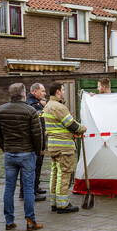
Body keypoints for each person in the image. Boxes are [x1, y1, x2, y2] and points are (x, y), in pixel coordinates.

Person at [0, 83, 43, 231]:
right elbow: (37, 135)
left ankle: (9, 221)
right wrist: (37, 151)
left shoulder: (1, 110)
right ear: (23, 94)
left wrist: (5, 147)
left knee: (9, 188)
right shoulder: (30, 111)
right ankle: (30, 221)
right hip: (27, 153)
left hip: (9, 154)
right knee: (28, 188)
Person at [42, 82, 86, 213]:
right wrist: (82, 129)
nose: (64, 92)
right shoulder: (59, 107)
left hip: (53, 146)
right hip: (64, 147)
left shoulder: (48, 106)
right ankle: (63, 205)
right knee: (65, 174)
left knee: (55, 173)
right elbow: (71, 124)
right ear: (57, 92)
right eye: (62, 90)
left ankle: (55, 202)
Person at [22, 83, 48, 202]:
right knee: (32, 168)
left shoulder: (36, 104)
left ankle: (34, 188)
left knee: (36, 166)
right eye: (42, 91)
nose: (44, 93)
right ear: (34, 92)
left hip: (37, 141)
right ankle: (30, 192)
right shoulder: (32, 105)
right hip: (35, 142)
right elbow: (38, 126)